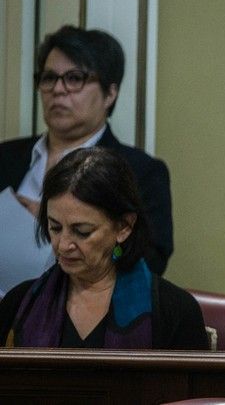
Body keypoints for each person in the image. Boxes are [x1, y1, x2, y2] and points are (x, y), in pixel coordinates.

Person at [0, 24, 173, 274]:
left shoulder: (141, 172)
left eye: (74, 78)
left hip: (85, 307)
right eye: (49, 78)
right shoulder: (6, 157)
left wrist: (54, 225)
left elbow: (149, 263)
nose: (58, 90)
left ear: (110, 93)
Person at [0, 147, 207, 349]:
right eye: (55, 227)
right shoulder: (19, 303)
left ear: (124, 227)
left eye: (82, 231)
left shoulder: (175, 312)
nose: (63, 245)